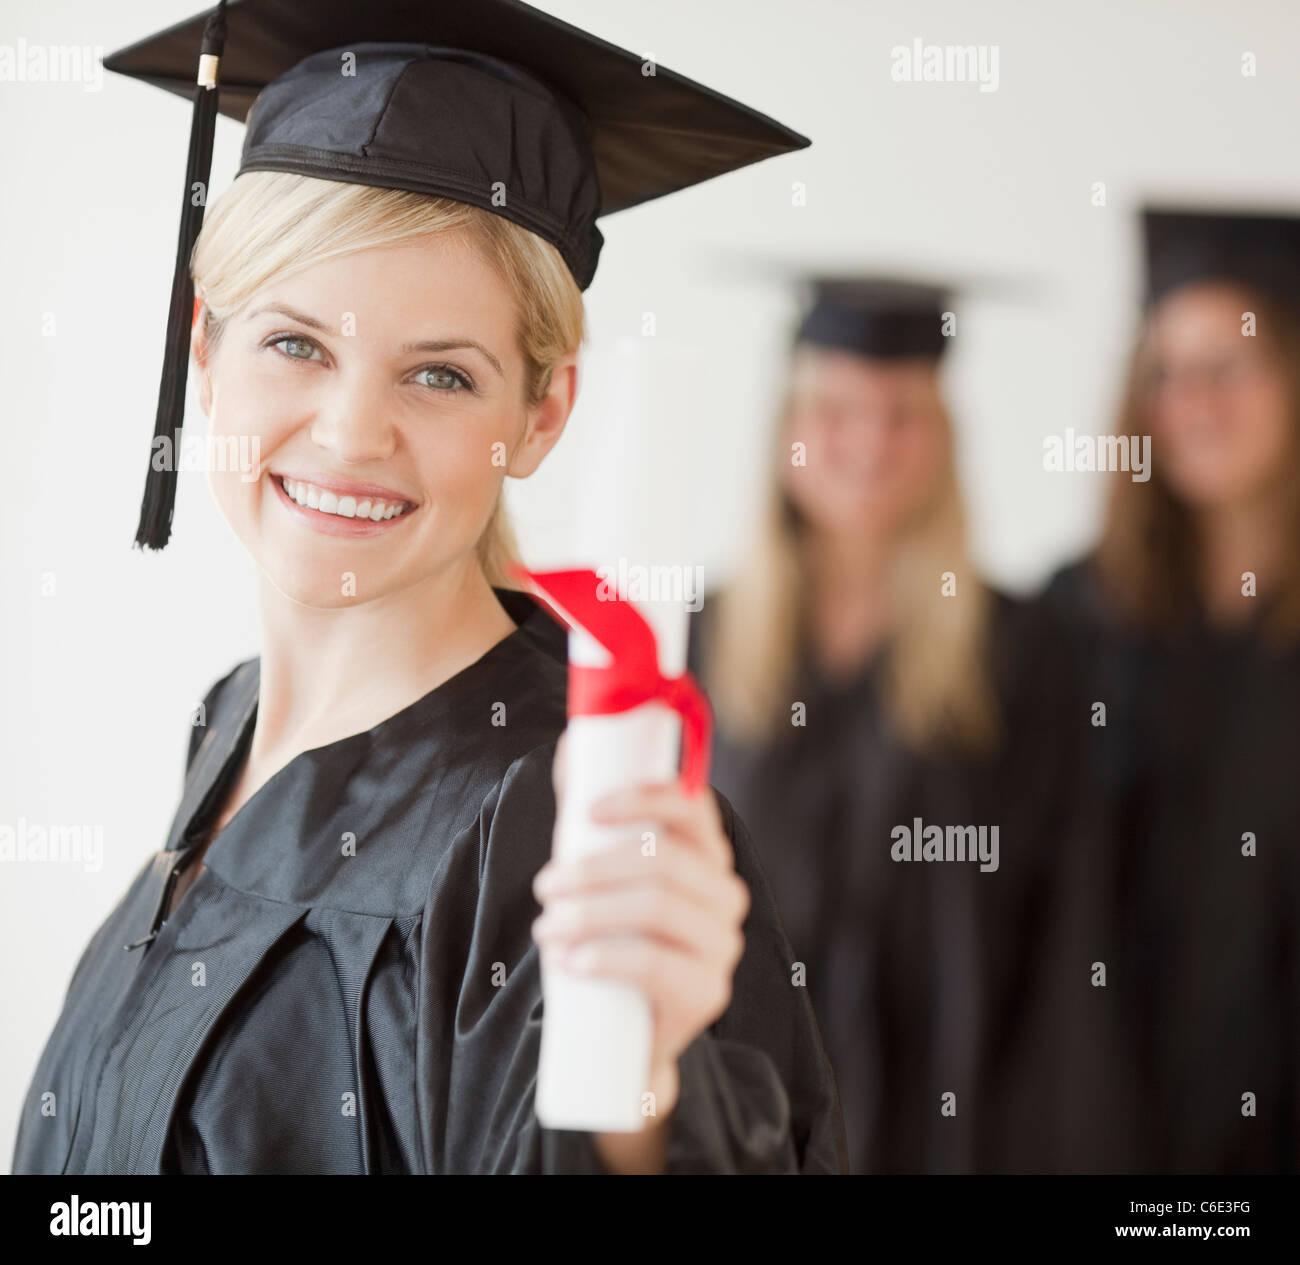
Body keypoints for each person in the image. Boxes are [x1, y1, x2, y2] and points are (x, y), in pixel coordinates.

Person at [11, 1, 848, 1175]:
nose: (352, 433)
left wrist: (643, 1102)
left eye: (442, 374)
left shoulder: (566, 813)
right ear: (205, 347)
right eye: (296, 343)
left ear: (540, 412)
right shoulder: (228, 722)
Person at [688, 276, 1111, 1173]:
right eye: (836, 408)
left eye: (903, 414)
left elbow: (1061, 922)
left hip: (957, 1114)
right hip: (746, 1109)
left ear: (944, 441)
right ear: (789, 433)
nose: (870, 442)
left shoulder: (1029, 647)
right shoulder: (704, 635)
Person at [1045, 208, 1300, 1173]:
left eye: (1229, 367)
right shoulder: (1074, 622)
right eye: (1169, 371)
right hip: (1105, 1143)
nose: (1195, 400)